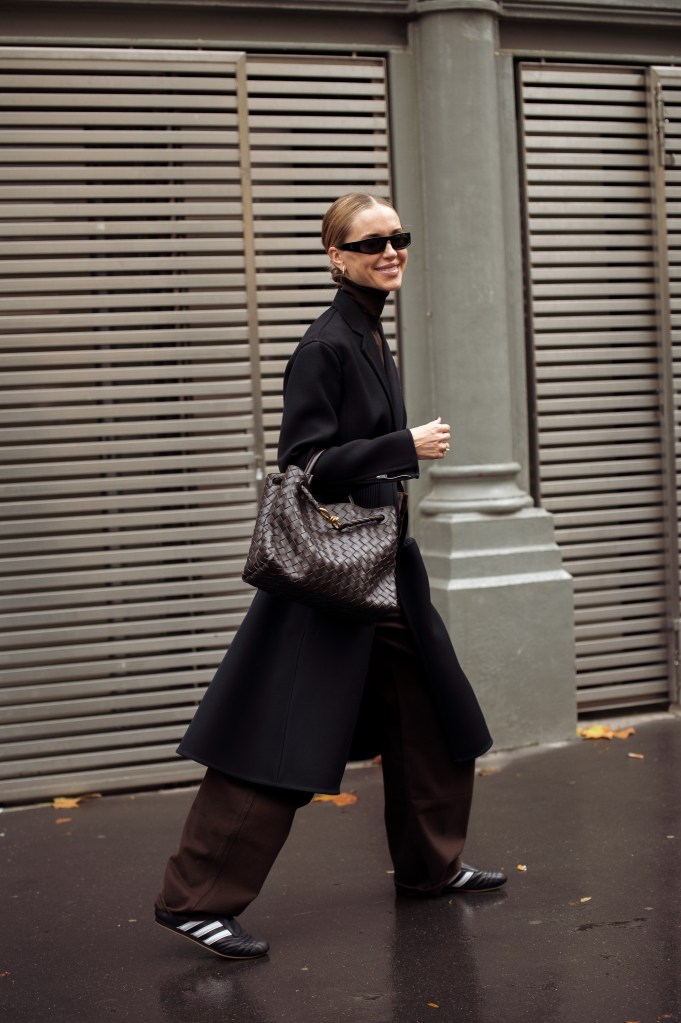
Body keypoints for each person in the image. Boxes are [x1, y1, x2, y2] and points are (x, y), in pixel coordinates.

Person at [154, 192, 506, 960]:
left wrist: (393, 448)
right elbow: (301, 465)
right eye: (370, 241)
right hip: (334, 576)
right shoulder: (327, 345)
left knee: (435, 712)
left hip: (385, 565)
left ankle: (430, 864)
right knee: (275, 736)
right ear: (335, 256)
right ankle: (194, 899)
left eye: (398, 237)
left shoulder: (368, 332)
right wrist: (400, 444)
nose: (390, 251)